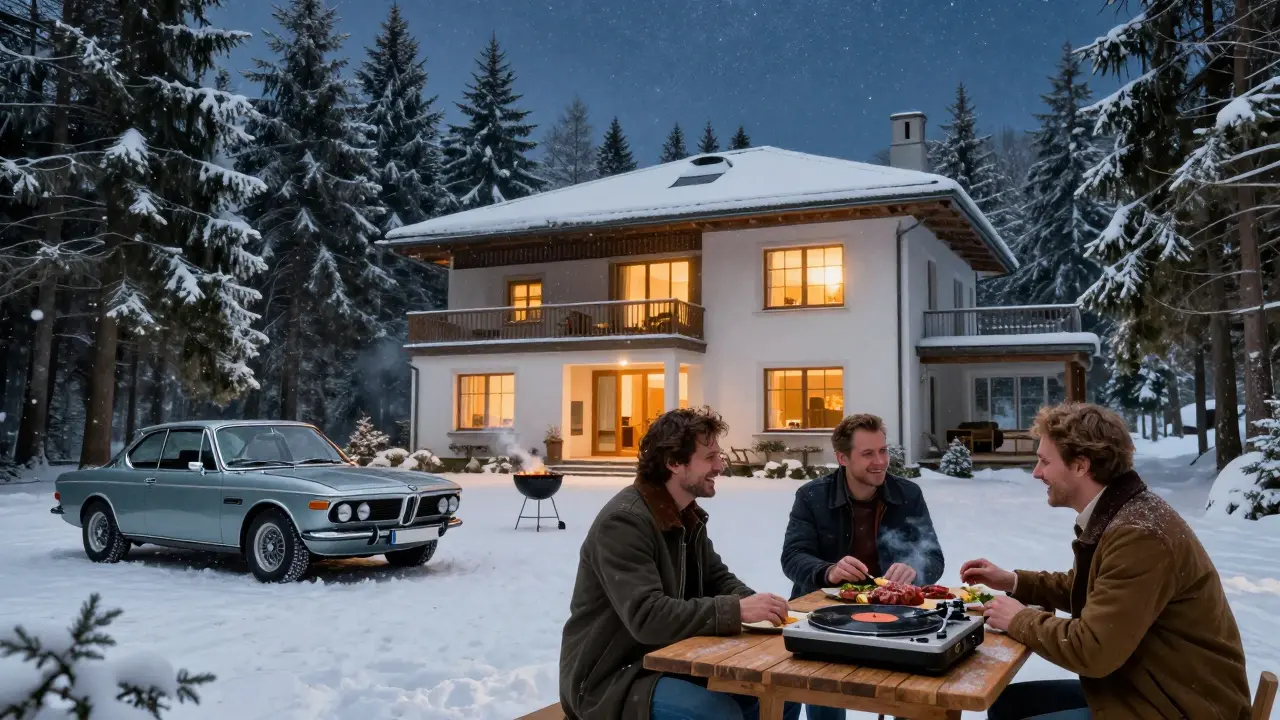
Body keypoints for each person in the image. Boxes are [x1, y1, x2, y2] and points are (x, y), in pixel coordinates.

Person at [961, 402, 1252, 720]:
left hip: (1181, 707)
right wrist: (1013, 581)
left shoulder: (1140, 536)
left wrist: (1019, 620)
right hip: (1147, 687)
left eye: (1045, 461)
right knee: (1008, 705)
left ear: (1080, 466)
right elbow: (1093, 590)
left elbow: (1093, 649)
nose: (1037, 472)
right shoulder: (1123, 514)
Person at [559, 406, 792, 720]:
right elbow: (647, 616)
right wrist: (736, 610)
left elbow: (717, 577)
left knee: (779, 693)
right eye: (709, 457)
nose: (720, 466)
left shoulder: (685, 514)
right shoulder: (624, 522)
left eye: (718, 456)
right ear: (673, 463)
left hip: (669, 661)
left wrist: (758, 605)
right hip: (614, 678)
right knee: (716, 713)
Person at [779, 413, 944, 720]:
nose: (880, 461)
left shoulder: (908, 495)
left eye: (883, 450)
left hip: (893, 615)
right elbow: (793, 556)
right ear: (842, 457)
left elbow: (934, 558)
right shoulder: (812, 496)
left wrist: (912, 567)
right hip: (823, 615)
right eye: (867, 453)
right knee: (824, 695)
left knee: (911, 695)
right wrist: (828, 571)